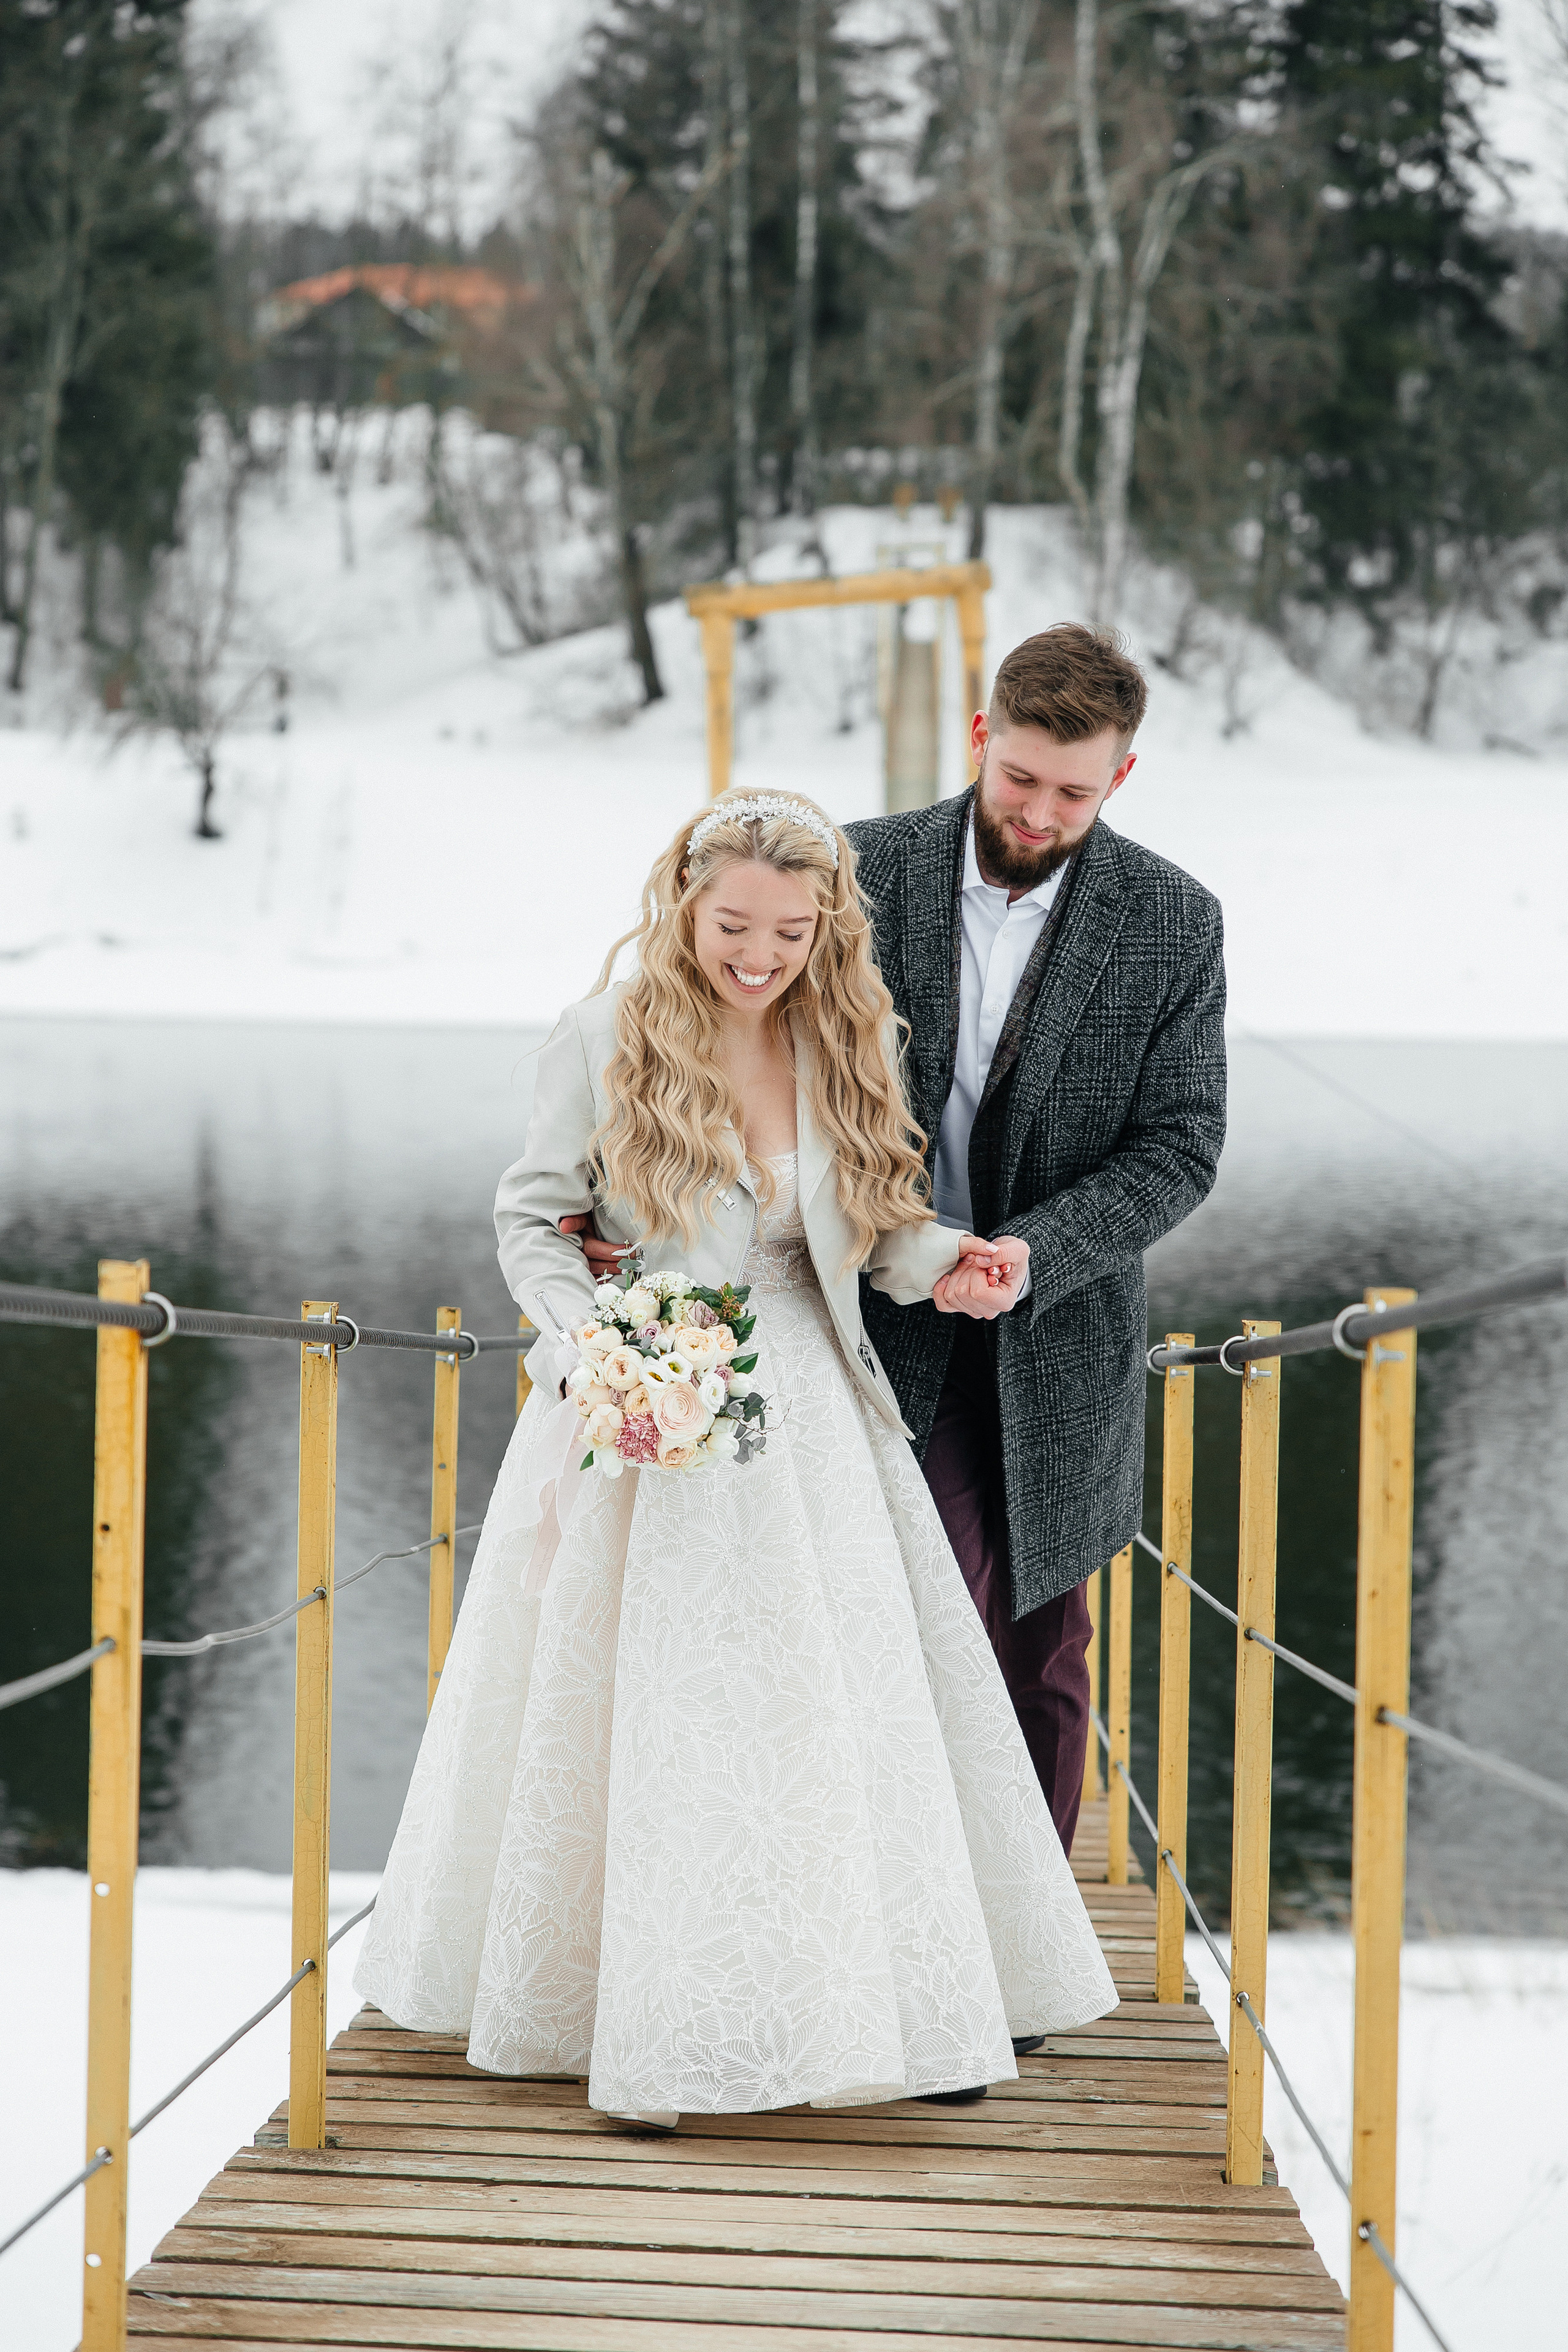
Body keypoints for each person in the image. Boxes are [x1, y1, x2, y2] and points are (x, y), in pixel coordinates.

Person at [356, 791, 1116, 2129]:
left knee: (839, 1698)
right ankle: (644, 2023)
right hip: (651, 1395)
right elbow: (534, 1221)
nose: (755, 955)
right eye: (730, 925)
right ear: (683, 903)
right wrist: (604, 1343)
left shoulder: (852, 1030)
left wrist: (955, 1264)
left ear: (824, 923)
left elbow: (880, 1227)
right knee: (663, 1700)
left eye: (785, 928)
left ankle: (909, 2009)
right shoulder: (605, 1032)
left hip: (811, 1393)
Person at [575, 625, 1226, 1861]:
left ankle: (1019, 1937)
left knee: (1041, 1647)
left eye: (1072, 792)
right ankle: (885, 1913)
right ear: (981, 737)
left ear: (1120, 779)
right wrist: (619, 1224)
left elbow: (1179, 1146)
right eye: (1018, 777)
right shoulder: (857, 871)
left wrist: (1032, 1252)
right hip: (856, 1323)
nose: (1036, 812)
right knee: (882, 1621)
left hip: (1057, 1331)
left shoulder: (1173, 923)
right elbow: (707, 1028)